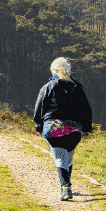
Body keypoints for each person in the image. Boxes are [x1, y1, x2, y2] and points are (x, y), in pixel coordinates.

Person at [33, 57, 93, 200]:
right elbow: (86, 109)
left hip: (54, 127)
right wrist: (86, 127)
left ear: (54, 71)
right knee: (68, 158)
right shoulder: (77, 88)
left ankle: (66, 188)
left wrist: (38, 126)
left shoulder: (47, 87)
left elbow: (38, 108)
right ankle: (65, 185)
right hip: (74, 128)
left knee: (60, 157)